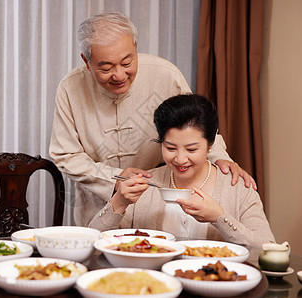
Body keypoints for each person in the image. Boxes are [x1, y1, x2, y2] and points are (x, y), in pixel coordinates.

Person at [49, 12, 255, 227]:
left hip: (156, 203)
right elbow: (66, 154)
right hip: (98, 207)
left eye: (127, 62)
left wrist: (221, 157)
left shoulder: (165, 74)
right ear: (87, 61)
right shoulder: (71, 87)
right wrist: (115, 178)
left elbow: (194, 124)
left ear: (136, 49)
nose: (119, 75)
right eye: (106, 68)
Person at [89, 94, 275, 249]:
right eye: (170, 148)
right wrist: (119, 202)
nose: (179, 159)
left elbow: (267, 249)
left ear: (211, 144)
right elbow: (94, 242)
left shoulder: (237, 187)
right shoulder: (145, 184)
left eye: (192, 149)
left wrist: (220, 218)